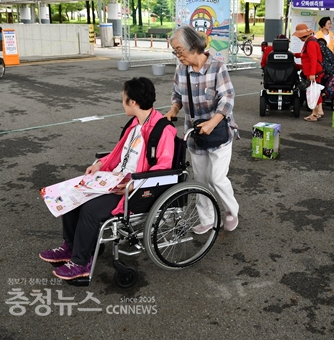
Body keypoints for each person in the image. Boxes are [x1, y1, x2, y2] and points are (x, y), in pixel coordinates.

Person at [39, 77, 176, 280]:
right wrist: (99, 164)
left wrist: (133, 185)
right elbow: (118, 154)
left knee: (90, 210)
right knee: (71, 195)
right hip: (114, 179)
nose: (122, 103)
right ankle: (71, 247)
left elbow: (163, 168)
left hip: (134, 189)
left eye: (123, 98)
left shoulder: (162, 130)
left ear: (133, 102)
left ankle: (81, 262)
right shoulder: (134, 124)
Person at [165, 25, 240, 233]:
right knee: (201, 180)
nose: (178, 55)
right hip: (195, 135)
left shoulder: (217, 67)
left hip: (219, 133)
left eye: (179, 50)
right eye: (175, 51)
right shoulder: (181, 70)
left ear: (193, 46)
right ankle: (207, 219)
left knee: (217, 178)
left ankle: (232, 211)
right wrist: (173, 109)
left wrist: (212, 122)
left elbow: (228, 97)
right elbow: (177, 95)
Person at [293, 23, 324, 121]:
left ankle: (314, 114)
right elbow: (306, 55)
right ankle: (319, 111)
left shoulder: (310, 43)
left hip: (314, 72)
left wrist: (312, 73)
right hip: (316, 71)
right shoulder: (311, 41)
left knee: (313, 93)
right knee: (316, 91)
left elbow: (313, 59)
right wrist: (295, 55)